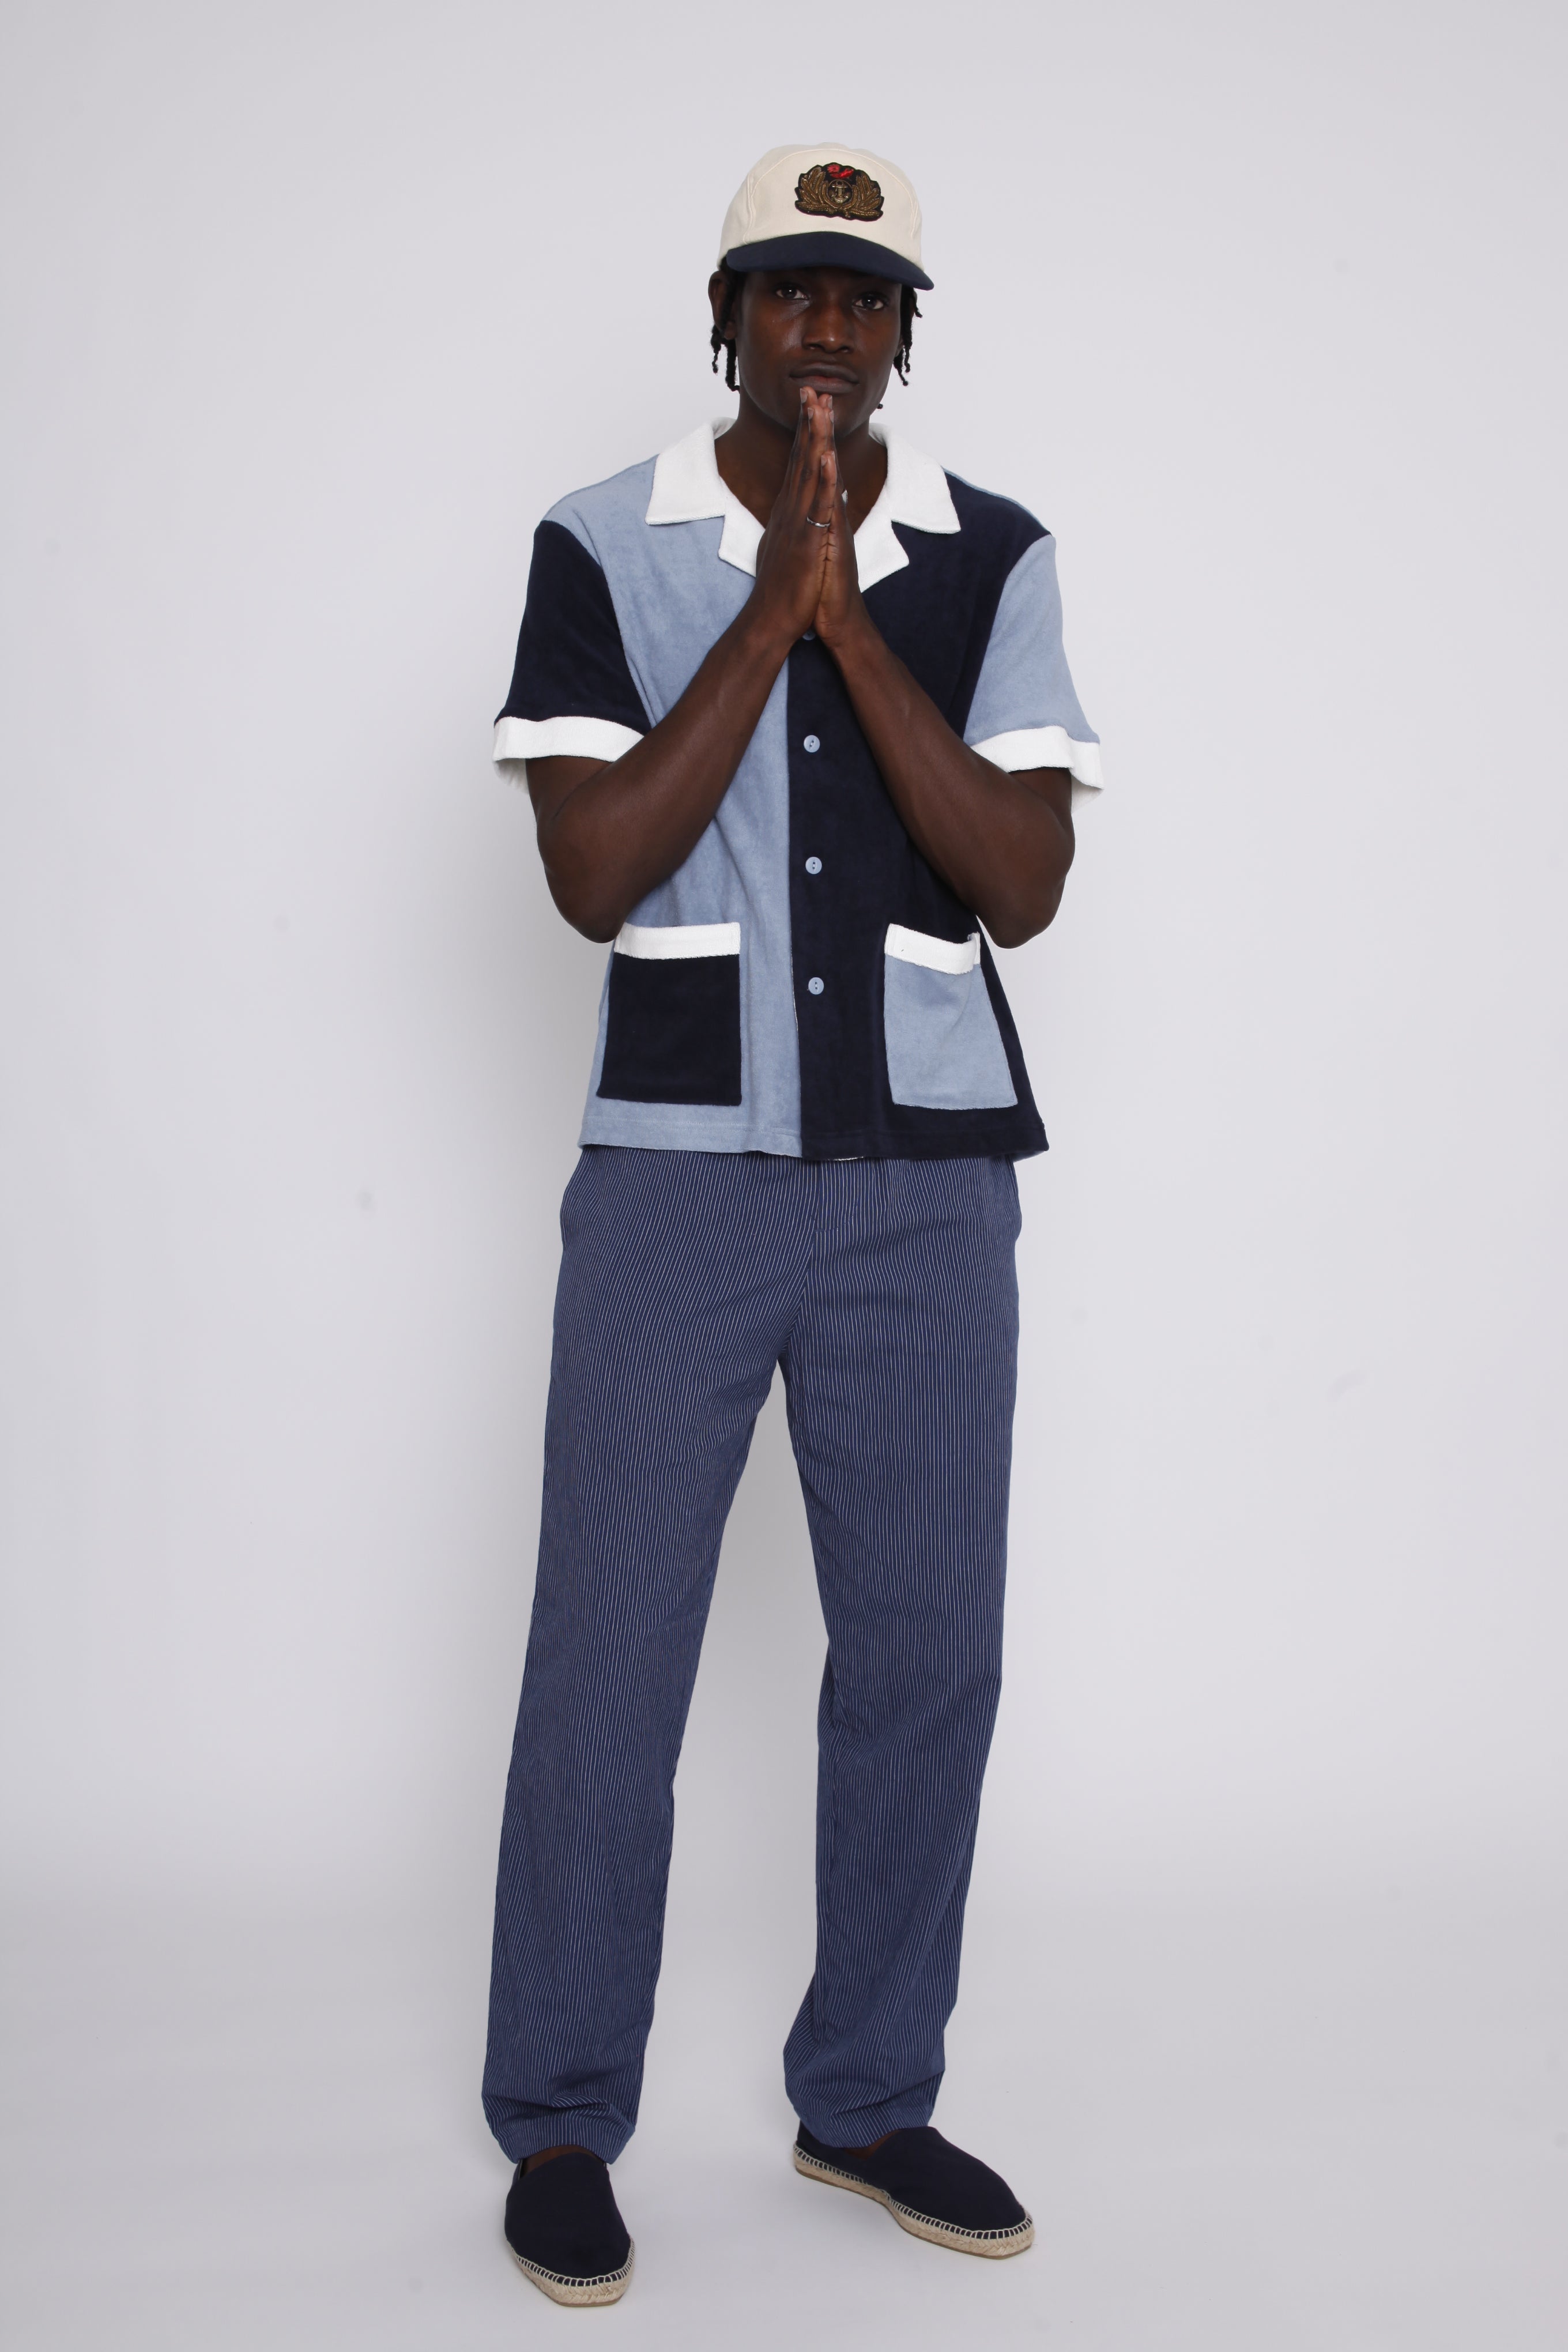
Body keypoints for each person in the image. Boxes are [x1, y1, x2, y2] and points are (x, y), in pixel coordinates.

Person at [483, 142, 1102, 2306]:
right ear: (726, 314)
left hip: (930, 1196)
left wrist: (860, 614)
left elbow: (1017, 881)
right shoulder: (601, 544)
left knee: (931, 1654)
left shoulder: (992, 554)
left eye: (866, 298)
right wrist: (773, 610)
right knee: (608, 1666)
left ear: (907, 332)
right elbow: (594, 871)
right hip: (675, 1186)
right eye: (787, 290)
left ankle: (866, 2097)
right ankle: (561, 2116)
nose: (826, 330)